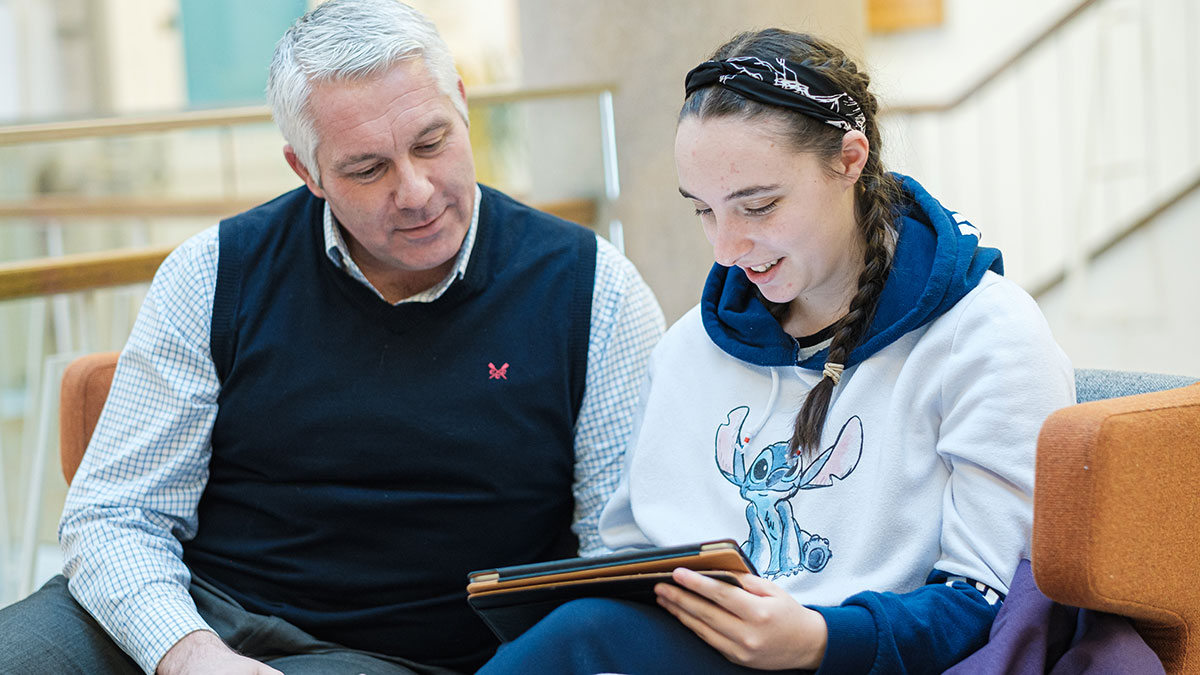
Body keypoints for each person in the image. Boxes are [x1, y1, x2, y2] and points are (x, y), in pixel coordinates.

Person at [0, 1, 664, 673]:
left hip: (384, 655)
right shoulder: (212, 273)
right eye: (368, 168)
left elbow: (617, 561)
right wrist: (189, 652)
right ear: (306, 170)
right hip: (188, 610)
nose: (415, 190)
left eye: (432, 142)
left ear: (462, 105)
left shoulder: (593, 291)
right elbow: (115, 515)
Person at [477, 28, 1074, 675]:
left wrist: (822, 638)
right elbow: (635, 557)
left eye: (756, 205)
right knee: (585, 630)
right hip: (689, 656)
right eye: (703, 211)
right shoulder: (687, 353)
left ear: (850, 160)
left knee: (583, 636)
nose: (727, 248)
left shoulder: (985, 335)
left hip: (867, 661)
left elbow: (993, 602)